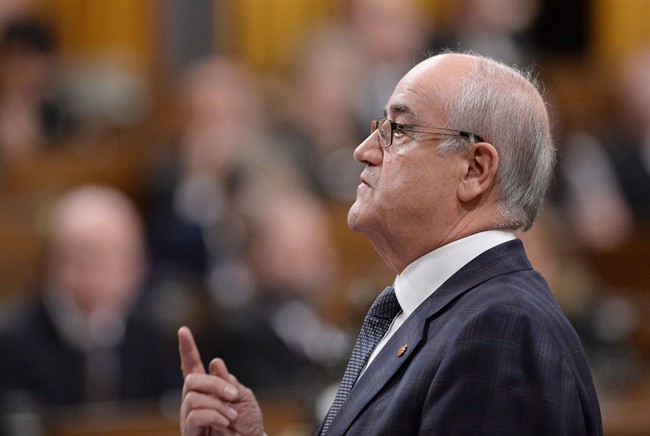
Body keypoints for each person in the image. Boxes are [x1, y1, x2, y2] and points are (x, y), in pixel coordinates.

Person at [177, 52, 603, 435]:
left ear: (475, 169)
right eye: (378, 126)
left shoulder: (501, 328)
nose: (364, 151)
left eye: (397, 130)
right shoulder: (448, 310)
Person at [0, 185, 180, 414]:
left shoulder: (148, 337)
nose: (96, 276)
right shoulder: (13, 343)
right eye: (86, 261)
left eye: (115, 261)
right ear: (53, 263)